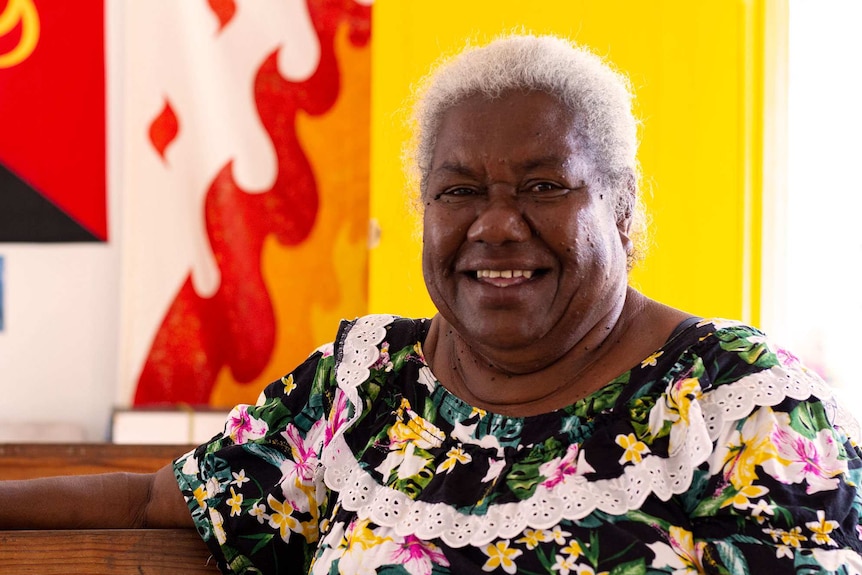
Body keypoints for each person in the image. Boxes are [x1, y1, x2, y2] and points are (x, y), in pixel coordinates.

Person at [3, 33, 862, 574]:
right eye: (457, 191)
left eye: (542, 184)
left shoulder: (744, 402)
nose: (495, 225)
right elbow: (155, 502)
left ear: (623, 207)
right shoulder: (364, 381)